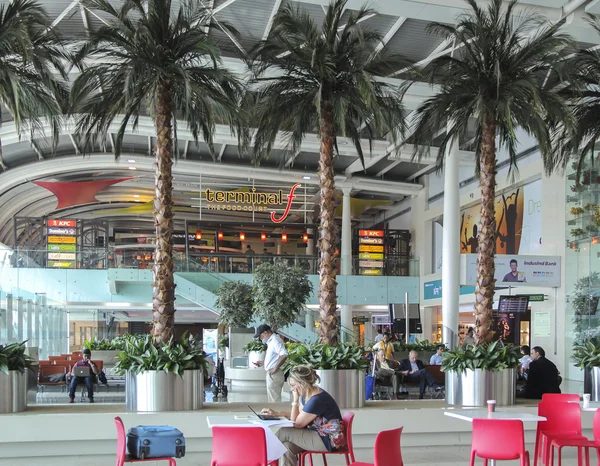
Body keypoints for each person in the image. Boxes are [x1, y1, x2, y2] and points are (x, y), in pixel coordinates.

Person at [261, 365, 345, 466]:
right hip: (317, 436)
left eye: (293, 385)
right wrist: (277, 413)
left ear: (302, 384)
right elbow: (299, 414)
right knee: (287, 447)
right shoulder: (308, 395)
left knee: (285, 431)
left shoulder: (316, 400)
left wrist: (295, 400)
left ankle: (259, 457)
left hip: (328, 440)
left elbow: (296, 423)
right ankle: (264, 457)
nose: (291, 389)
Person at [253, 324, 288, 402]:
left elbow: (284, 354)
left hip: (275, 374)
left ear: (265, 333)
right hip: (272, 374)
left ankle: (275, 414)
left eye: (260, 336)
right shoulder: (271, 342)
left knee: (274, 400)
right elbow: (275, 358)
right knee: (272, 399)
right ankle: (273, 413)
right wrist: (264, 363)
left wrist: (275, 368)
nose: (260, 338)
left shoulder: (275, 340)